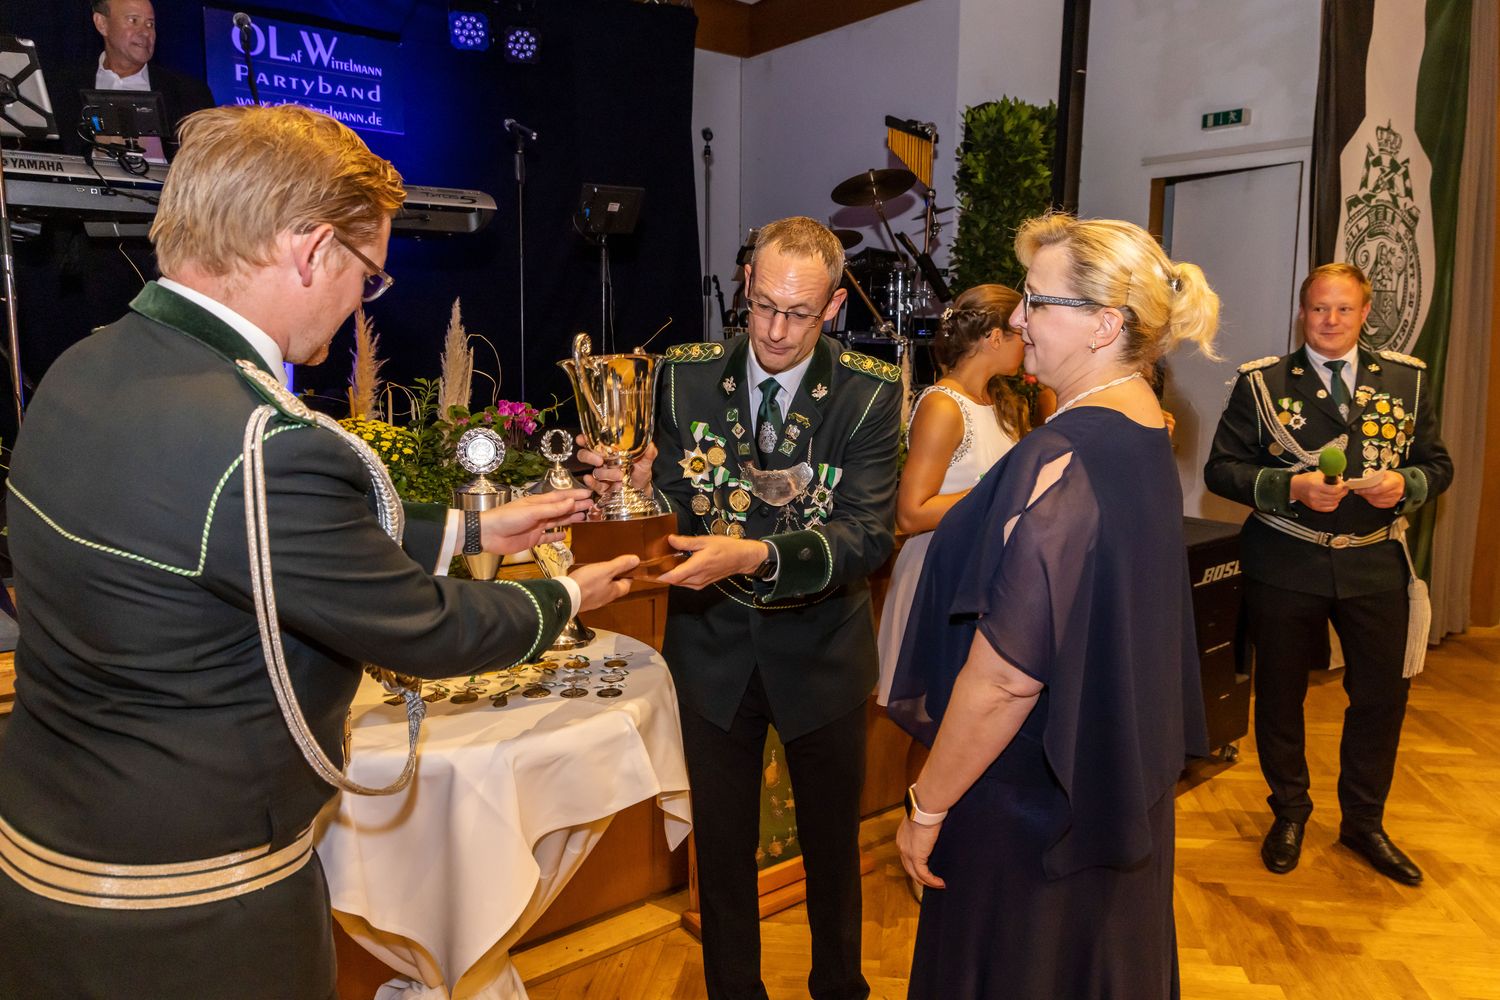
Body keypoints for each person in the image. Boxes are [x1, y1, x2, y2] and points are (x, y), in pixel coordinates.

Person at [0, 104, 637, 1000]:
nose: (362, 300)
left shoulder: (88, 365)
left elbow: (241, 534)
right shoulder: (260, 438)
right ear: (309, 250)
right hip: (196, 910)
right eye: (367, 274)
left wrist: (470, 530)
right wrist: (565, 597)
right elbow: (423, 630)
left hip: (46, 865)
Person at [887, 213, 1216, 999]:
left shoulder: (1059, 458)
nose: (1018, 322)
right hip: (1107, 781)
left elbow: (1007, 677)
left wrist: (926, 806)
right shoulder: (1145, 428)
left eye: (1036, 302)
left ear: (1105, 324)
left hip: (1029, 802)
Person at [589, 216, 899, 999]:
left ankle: (840, 988)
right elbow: (671, 498)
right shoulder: (682, 376)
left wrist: (756, 555)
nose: (775, 330)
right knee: (721, 855)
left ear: (833, 307)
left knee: (833, 850)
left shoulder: (868, 390)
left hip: (822, 651)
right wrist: (630, 491)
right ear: (747, 286)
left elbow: (866, 537)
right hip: (712, 650)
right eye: (762, 306)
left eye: (798, 313)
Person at [1203, 262, 1452, 885]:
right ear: (1302, 312)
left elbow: (1436, 463)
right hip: (1287, 560)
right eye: (1319, 308)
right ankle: (1289, 811)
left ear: (1365, 313)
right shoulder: (1262, 383)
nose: (1331, 320)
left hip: (1374, 562)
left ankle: (1364, 823)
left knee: (1381, 698)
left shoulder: (1406, 379)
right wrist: (1290, 487)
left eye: (1344, 309)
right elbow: (1221, 469)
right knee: (1280, 695)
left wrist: (1406, 483)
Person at [875, 284, 1033, 706]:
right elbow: (911, 513)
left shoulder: (1002, 403)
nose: (1027, 341)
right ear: (995, 337)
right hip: (939, 569)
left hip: (981, 569)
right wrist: (995, 493)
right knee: (929, 712)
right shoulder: (943, 406)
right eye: (1020, 333)